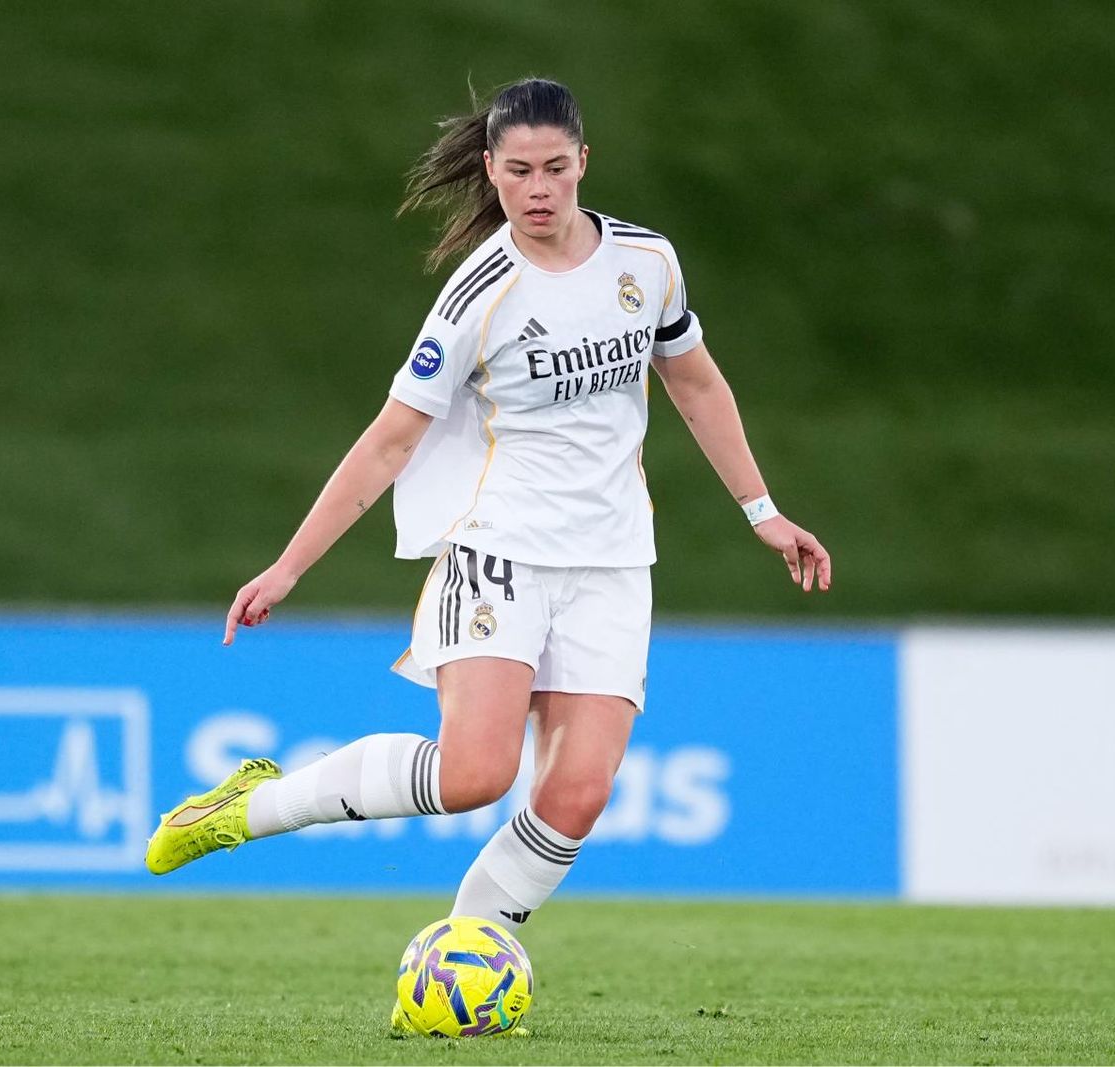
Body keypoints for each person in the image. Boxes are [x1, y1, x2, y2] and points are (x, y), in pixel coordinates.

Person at [145, 78, 830, 932]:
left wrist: (763, 510)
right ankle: (253, 806)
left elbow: (693, 379)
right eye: (518, 172)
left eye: (554, 168)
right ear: (491, 171)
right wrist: (288, 565)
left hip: (614, 558)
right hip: (499, 549)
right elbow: (391, 439)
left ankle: (474, 951)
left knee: (577, 796)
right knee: (475, 774)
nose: (538, 190)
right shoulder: (478, 295)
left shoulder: (646, 263)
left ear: (585, 161)